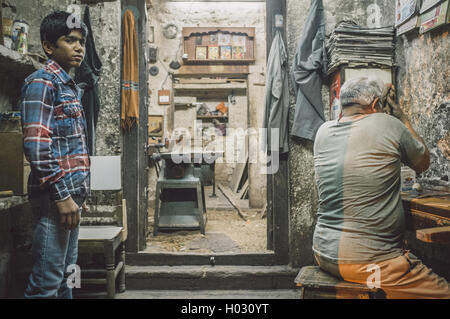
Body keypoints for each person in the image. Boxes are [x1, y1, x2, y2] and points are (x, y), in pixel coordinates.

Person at [312, 77, 450, 299]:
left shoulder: (323, 131)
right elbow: (422, 163)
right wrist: (402, 118)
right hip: (368, 263)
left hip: (323, 253)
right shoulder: (387, 123)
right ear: (376, 104)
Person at [21, 11, 90, 299]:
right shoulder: (42, 82)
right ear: (49, 46)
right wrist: (62, 197)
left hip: (70, 199)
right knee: (46, 284)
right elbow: (37, 147)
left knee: (67, 278)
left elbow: (71, 148)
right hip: (54, 201)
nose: (79, 47)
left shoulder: (69, 86)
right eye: (70, 40)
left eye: (81, 42)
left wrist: (76, 196)